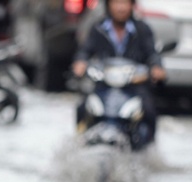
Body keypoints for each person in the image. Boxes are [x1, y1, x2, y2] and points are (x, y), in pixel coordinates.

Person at [71, 0, 166, 145]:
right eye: (116, 3)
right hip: (104, 84)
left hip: (133, 86)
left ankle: (148, 145)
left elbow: (152, 54)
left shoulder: (142, 29)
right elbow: (84, 51)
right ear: (108, 5)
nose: (121, 8)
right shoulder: (98, 28)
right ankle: (80, 140)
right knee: (82, 108)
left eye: (124, 3)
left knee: (149, 109)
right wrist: (80, 63)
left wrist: (156, 68)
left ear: (132, 5)